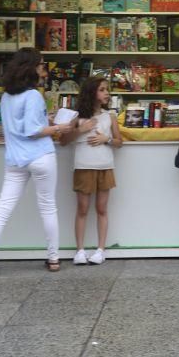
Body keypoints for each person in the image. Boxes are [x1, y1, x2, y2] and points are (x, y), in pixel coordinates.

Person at [0, 48, 77, 278]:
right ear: (31, 67)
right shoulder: (33, 95)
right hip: (40, 156)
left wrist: (46, 120)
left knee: (2, 209)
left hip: (15, 160)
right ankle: (53, 258)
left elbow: (23, 126)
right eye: (41, 64)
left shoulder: (7, 97)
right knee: (48, 207)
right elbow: (33, 131)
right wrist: (61, 127)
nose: (44, 68)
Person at [59, 76, 122, 265]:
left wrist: (107, 140)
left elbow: (119, 142)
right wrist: (81, 129)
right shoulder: (76, 117)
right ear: (91, 92)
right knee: (82, 209)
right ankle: (79, 250)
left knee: (102, 209)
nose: (106, 93)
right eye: (102, 89)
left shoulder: (110, 116)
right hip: (83, 166)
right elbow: (62, 141)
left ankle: (100, 250)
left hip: (105, 166)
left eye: (106, 90)